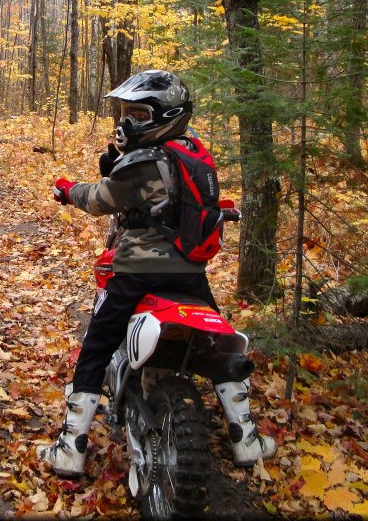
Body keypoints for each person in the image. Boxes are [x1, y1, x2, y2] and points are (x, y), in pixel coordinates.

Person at [36, 69, 277, 477]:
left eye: (140, 115)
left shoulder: (143, 163)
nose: (128, 123)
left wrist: (67, 188)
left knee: (95, 349)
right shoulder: (194, 152)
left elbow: (99, 199)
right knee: (222, 347)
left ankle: (70, 448)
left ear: (167, 114)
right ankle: (247, 441)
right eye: (126, 113)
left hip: (136, 270)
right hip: (189, 272)